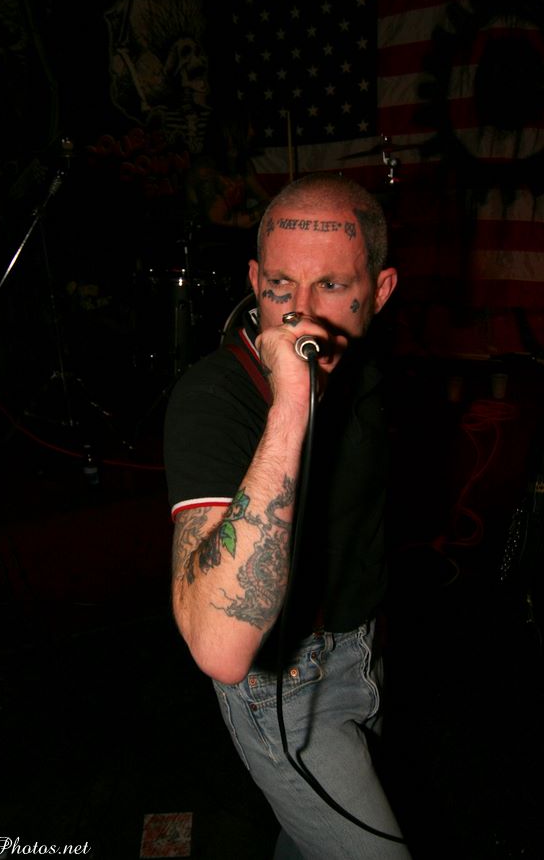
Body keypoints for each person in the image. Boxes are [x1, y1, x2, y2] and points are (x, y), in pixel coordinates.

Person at [163, 172, 411, 859]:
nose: (300, 314)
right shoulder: (215, 398)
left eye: (330, 285)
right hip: (284, 687)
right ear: (254, 280)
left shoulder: (368, 369)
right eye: (279, 286)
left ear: (380, 291)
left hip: (363, 651)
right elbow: (218, 647)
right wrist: (291, 405)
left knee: (308, 842)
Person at [185, 107, 271, 305]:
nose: (252, 132)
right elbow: (218, 219)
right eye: (247, 127)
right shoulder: (205, 170)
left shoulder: (241, 165)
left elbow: (264, 198)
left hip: (237, 247)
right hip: (211, 252)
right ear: (232, 130)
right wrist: (266, 206)